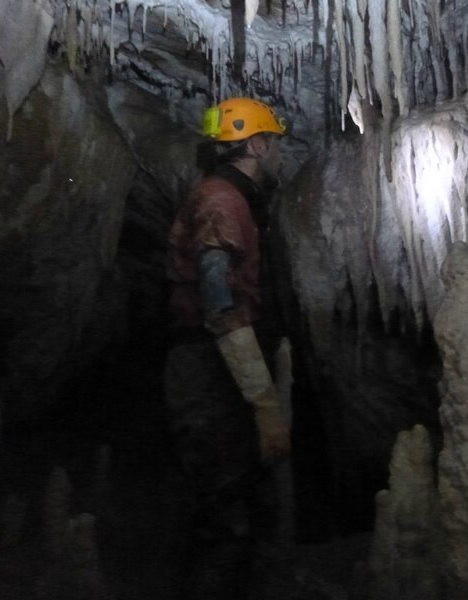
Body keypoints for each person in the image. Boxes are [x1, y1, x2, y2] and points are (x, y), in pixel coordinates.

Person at [164, 97, 291, 599]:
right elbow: (218, 302)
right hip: (208, 367)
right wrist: (263, 405)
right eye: (275, 142)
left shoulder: (235, 199)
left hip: (221, 364)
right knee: (224, 505)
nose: (280, 153)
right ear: (257, 144)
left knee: (235, 494)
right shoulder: (222, 202)